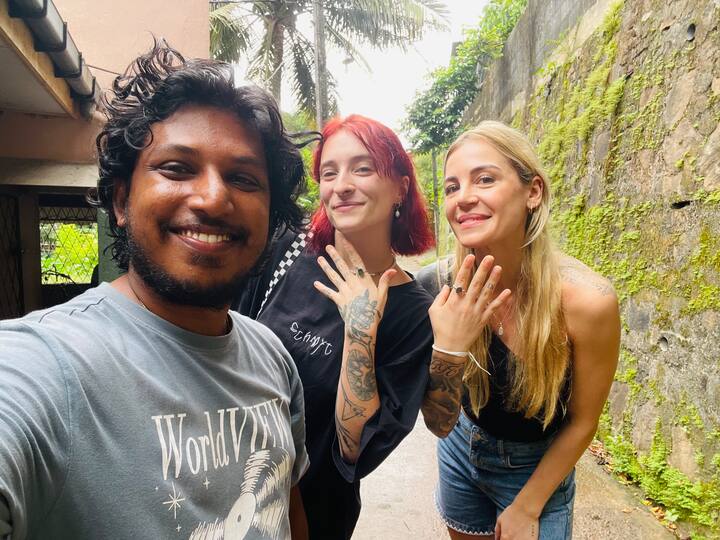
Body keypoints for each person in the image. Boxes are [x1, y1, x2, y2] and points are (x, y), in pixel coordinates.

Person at [0, 42, 311, 540]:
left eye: (243, 178)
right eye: (177, 168)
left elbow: (286, 511)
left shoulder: (272, 357)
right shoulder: (43, 365)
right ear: (122, 201)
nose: (213, 199)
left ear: (271, 217)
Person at [236, 115, 436, 538]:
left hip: (316, 513)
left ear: (400, 187)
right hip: (227, 486)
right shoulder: (285, 249)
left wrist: (360, 332)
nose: (341, 185)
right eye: (329, 173)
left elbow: (354, 448)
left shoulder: (413, 313)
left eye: (362, 168)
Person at [418, 121, 620, 539]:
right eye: (452, 187)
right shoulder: (438, 285)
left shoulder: (587, 301)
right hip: (460, 449)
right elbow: (438, 423)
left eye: (484, 179)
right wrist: (449, 350)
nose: (463, 197)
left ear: (533, 192)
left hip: (537, 465)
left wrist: (528, 506)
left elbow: (584, 421)